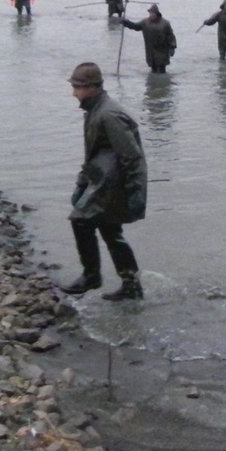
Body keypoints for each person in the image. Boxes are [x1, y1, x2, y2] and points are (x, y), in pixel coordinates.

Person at [61, 62, 147, 301]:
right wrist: (81, 184)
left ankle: (91, 275)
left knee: (80, 220)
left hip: (113, 184)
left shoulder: (108, 114)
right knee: (110, 230)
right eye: (74, 86)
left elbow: (132, 157)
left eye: (78, 87)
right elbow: (91, 154)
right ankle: (131, 285)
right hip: (101, 180)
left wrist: (134, 194)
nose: (74, 92)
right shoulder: (94, 110)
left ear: (93, 88)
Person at [122, 4, 177, 73]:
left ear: (157, 14)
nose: (151, 15)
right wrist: (127, 23)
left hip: (162, 52)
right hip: (151, 52)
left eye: (152, 13)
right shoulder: (145, 22)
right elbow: (136, 26)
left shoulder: (165, 24)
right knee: (153, 71)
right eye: (150, 13)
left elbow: (171, 36)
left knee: (161, 71)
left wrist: (172, 47)